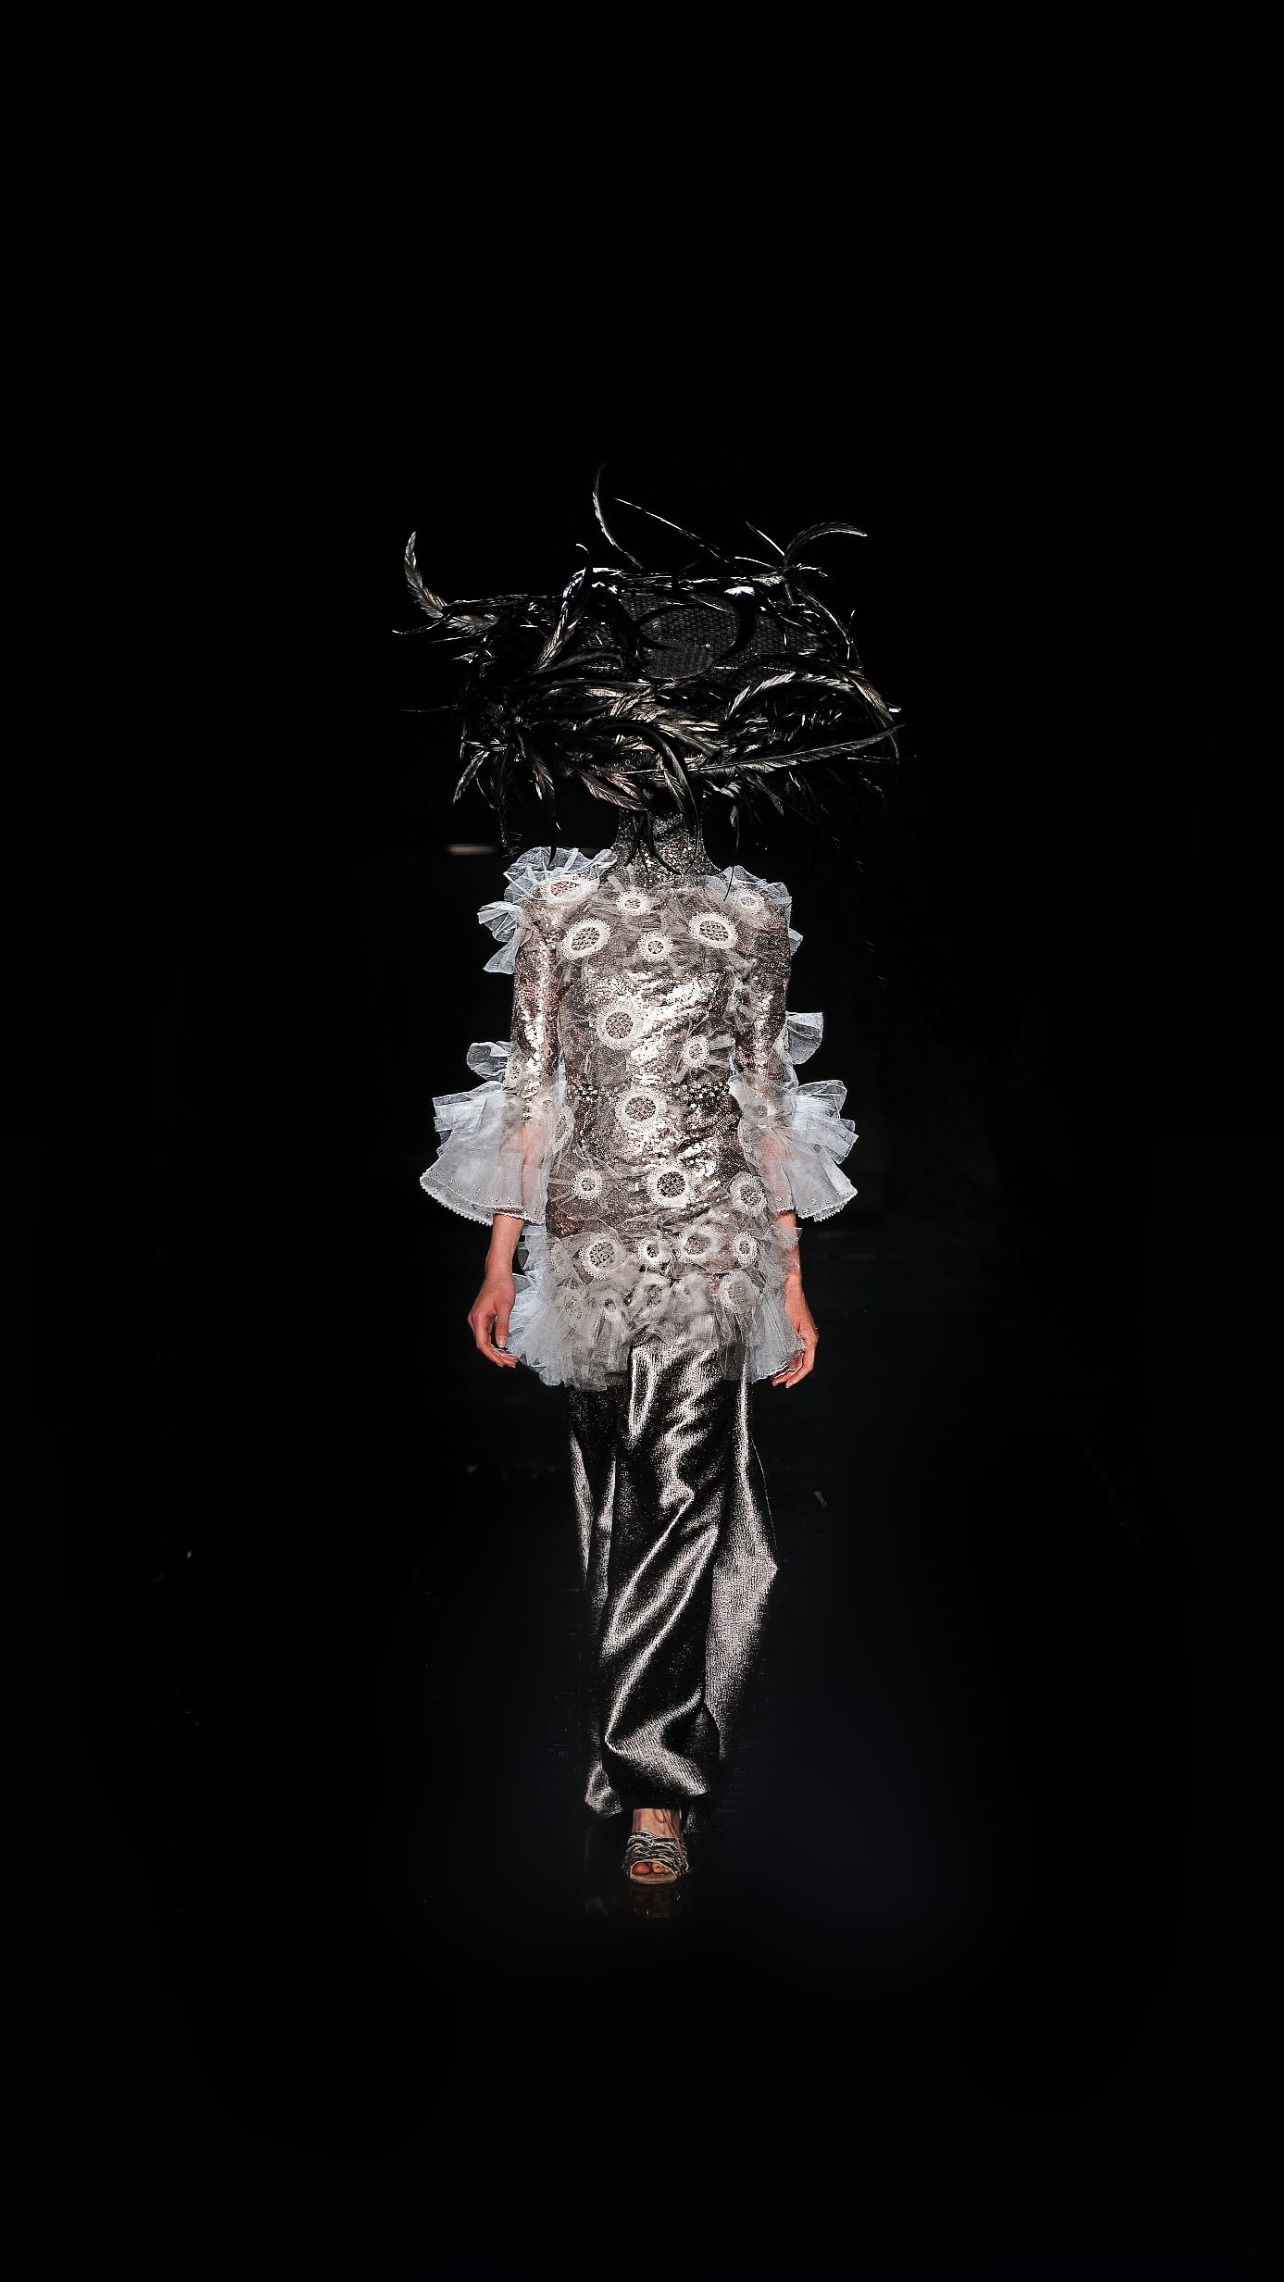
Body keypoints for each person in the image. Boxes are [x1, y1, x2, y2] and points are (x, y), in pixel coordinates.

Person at [403, 483, 898, 1885]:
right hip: (587, 1243)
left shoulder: (749, 918)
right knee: (618, 1500)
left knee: (681, 1489)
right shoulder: (555, 906)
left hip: (709, 1241)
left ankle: (655, 1788)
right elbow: (533, 1084)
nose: (643, 779)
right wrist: (500, 1256)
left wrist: (790, 1275)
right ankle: (633, 1738)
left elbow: (766, 1097)